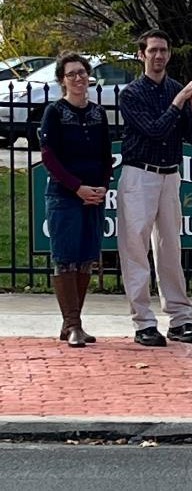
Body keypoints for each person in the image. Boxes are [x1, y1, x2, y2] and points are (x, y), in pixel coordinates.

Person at [118, 28, 192, 347]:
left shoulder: (176, 88)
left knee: (170, 249)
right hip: (140, 174)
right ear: (141, 54)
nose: (159, 55)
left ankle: (180, 319)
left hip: (169, 174)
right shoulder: (132, 94)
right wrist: (180, 101)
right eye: (152, 50)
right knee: (136, 250)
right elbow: (154, 130)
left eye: (163, 50)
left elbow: (190, 135)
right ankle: (143, 322)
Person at [39, 52, 113, 348]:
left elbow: (106, 154)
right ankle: (73, 324)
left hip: (93, 196)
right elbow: (49, 156)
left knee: (85, 260)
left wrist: (102, 187)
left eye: (82, 73)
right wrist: (76, 187)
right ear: (62, 80)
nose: (78, 78)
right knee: (66, 259)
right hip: (64, 196)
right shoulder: (54, 112)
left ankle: (72, 321)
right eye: (71, 74)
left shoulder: (98, 113)